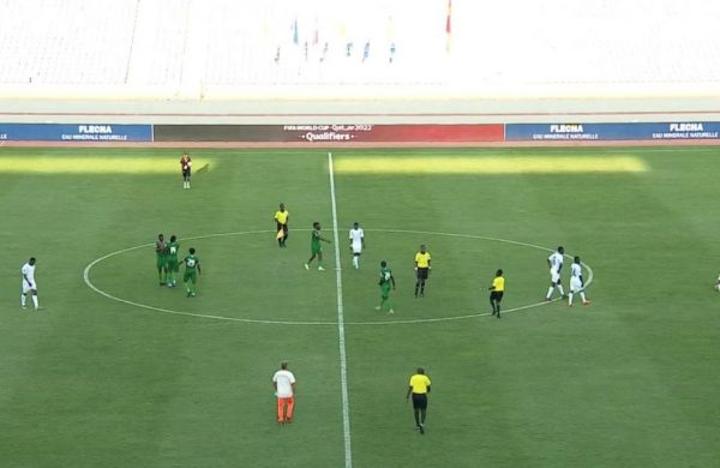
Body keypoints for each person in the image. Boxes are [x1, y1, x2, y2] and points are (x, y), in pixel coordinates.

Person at [406, 367, 431, 434]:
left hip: (415, 395)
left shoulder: (413, 377)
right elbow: (428, 387)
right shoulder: (425, 377)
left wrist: (408, 395)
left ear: (417, 372)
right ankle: (422, 424)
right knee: (423, 410)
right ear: (423, 372)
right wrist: (427, 391)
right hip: (423, 395)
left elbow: (411, 387)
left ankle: (417, 425)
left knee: (416, 410)